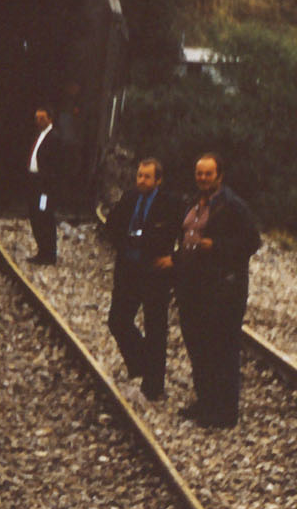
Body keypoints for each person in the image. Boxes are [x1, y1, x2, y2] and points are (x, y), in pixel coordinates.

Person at [174, 153, 261, 427]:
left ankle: (225, 413)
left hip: (223, 288)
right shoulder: (192, 202)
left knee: (222, 349)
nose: (202, 178)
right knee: (198, 346)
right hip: (193, 286)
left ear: (219, 176)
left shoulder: (234, 207)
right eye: (199, 173)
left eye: (208, 174)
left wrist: (218, 247)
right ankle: (205, 403)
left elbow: (252, 242)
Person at [101, 158, 184, 400]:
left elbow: (186, 235)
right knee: (118, 320)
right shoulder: (129, 198)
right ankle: (141, 364)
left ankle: (153, 386)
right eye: (139, 176)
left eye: (147, 177)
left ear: (158, 180)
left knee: (155, 328)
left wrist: (174, 259)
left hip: (154, 273)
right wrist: (123, 245)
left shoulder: (170, 204)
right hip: (128, 270)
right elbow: (111, 224)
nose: (141, 181)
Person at [26, 105, 65, 264]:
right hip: (35, 182)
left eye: (42, 118)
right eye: (37, 118)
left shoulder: (54, 137)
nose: (39, 121)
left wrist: (48, 187)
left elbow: (56, 164)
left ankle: (48, 254)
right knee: (35, 216)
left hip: (45, 187)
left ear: (50, 119)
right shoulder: (39, 135)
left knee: (44, 217)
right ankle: (42, 250)